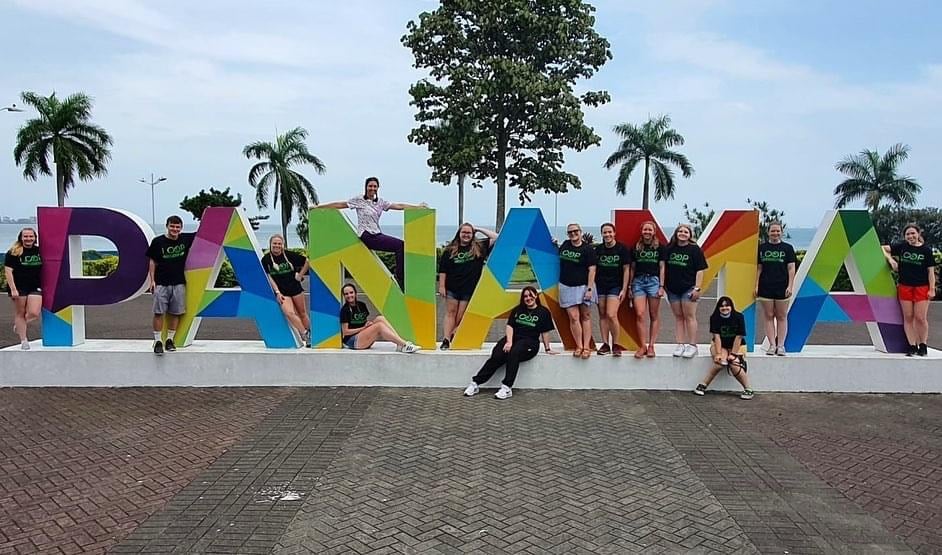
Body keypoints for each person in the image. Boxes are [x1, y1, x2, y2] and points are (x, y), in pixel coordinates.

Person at [318, 177, 428, 286]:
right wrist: (319, 207)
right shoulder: (359, 200)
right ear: (366, 187)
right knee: (400, 245)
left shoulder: (380, 202)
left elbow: (399, 206)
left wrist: (417, 207)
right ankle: (400, 278)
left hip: (376, 234)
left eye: (375, 186)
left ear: (378, 188)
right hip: (367, 235)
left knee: (401, 246)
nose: (372, 188)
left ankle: (400, 276)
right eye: (370, 186)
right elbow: (340, 204)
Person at [462, 286, 557, 399]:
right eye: (525, 296)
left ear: (536, 296)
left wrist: (547, 348)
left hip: (530, 342)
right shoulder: (518, 309)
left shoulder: (544, 312)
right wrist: (509, 342)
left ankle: (506, 388)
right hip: (513, 338)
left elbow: (545, 332)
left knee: (514, 353)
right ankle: (475, 383)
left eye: (531, 295)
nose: (528, 298)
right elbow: (510, 326)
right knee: (497, 355)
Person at [437, 223, 498, 349]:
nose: (466, 235)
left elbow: (497, 237)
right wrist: (442, 286)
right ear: (459, 234)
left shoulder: (479, 247)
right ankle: (446, 339)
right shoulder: (449, 250)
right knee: (450, 313)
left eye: (469, 233)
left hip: (469, 288)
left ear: (472, 234)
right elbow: (443, 270)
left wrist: (478, 228)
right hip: (452, 287)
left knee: (461, 315)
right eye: (463, 232)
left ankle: (454, 333)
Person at [883, 224, 937, 356]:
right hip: (905, 286)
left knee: (920, 318)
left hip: (922, 287)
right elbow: (882, 248)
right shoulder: (902, 247)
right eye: (908, 234)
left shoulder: (926, 250)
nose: (910, 236)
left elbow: (931, 272)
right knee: (908, 317)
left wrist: (932, 289)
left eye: (913, 233)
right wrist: (891, 260)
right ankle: (912, 345)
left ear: (918, 234)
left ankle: (923, 345)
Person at [146, 215, 194, 355]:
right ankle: (157, 341)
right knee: (158, 312)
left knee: (175, 312)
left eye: (177, 227)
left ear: (181, 228)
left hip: (179, 282)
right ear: (167, 226)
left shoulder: (185, 239)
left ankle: (169, 340)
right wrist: (152, 280)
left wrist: (206, 214)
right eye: (172, 226)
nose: (175, 229)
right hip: (161, 282)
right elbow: (152, 261)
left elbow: (203, 232)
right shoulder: (158, 242)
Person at [694, 297, 753, 400]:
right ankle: (703, 385)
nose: (724, 308)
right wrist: (718, 353)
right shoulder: (714, 318)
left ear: (731, 307)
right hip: (720, 345)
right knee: (720, 363)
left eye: (727, 306)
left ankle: (748, 389)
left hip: (737, 345)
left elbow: (739, 337)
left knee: (734, 364)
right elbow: (716, 337)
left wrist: (733, 354)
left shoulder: (739, 317)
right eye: (722, 306)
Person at [663, 224, 708, 359]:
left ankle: (693, 345)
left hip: (689, 288)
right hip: (672, 289)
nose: (683, 233)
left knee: (689, 316)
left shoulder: (695, 250)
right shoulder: (669, 249)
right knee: (678, 317)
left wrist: (697, 288)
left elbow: (700, 270)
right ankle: (680, 344)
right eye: (680, 231)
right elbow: (663, 267)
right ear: (676, 233)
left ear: (690, 235)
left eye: (686, 232)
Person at [339, 283, 421, 353]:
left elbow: (362, 321)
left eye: (351, 292)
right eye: (346, 294)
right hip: (353, 341)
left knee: (380, 318)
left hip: (363, 336)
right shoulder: (345, 310)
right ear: (344, 296)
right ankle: (404, 344)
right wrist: (364, 327)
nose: (349, 295)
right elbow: (346, 332)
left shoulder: (361, 305)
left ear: (355, 293)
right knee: (379, 326)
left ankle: (399, 343)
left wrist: (367, 324)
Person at [261, 234, 311, 346]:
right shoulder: (266, 260)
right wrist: (277, 292)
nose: (277, 246)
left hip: (295, 288)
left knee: (302, 313)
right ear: (270, 244)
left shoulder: (289, 255)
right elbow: (269, 277)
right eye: (274, 243)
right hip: (282, 292)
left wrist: (300, 275)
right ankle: (305, 334)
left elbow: (307, 261)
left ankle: (313, 336)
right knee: (289, 313)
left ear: (282, 245)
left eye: (279, 243)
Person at [755, 222, 796, 355]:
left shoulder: (788, 248)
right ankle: (772, 345)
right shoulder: (761, 248)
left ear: (781, 232)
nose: (775, 233)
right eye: (773, 231)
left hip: (782, 287)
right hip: (765, 286)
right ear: (768, 232)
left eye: (778, 231)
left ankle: (781, 346)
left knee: (782, 316)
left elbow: (791, 268)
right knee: (768, 316)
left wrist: (790, 285)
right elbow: (759, 268)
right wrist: (756, 285)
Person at [558, 223, 597, 359]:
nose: (573, 234)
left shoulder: (588, 249)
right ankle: (579, 345)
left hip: (583, 287)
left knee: (585, 316)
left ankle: (586, 347)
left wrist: (590, 288)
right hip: (566, 285)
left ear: (580, 232)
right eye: (570, 232)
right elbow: (558, 253)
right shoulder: (565, 245)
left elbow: (592, 269)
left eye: (575, 231)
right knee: (573, 317)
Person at [594, 223, 630, 356]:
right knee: (602, 314)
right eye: (605, 232)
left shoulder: (622, 249)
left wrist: (625, 289)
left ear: (614, 233)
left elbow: (627, 269)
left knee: (611, 314)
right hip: (600, 285)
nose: (607, 235)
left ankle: (616, 343)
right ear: (602, 234)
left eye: (610, 232)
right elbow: (593, 269)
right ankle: (605, 344)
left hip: (616, 286)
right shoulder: (598, 250)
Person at [629, 221, 665, 358]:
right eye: (645, 229)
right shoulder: (636, 247)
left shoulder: (660, 248)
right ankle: (642, 346)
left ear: (654, 231)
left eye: (650, 230)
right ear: (642, 231)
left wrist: (661, 286)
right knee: (639, 314)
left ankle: (651, 346)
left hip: (653, 281)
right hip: (638, 282)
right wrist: (630, 286)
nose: (647, 232)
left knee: (654, 314)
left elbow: (662, 267)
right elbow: (632, 268)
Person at [4, 227, 42, 350]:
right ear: (21, 237)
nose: (28, 238)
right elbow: (8, 271)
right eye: (25, 236)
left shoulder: (38, 250)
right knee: (20, 313)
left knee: (34, 313)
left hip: (34, 285)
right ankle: (24, 340)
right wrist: (13, 289)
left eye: (31, 236)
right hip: (19, 286)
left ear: (35, 238)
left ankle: (19, 325)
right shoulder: (14, 252)